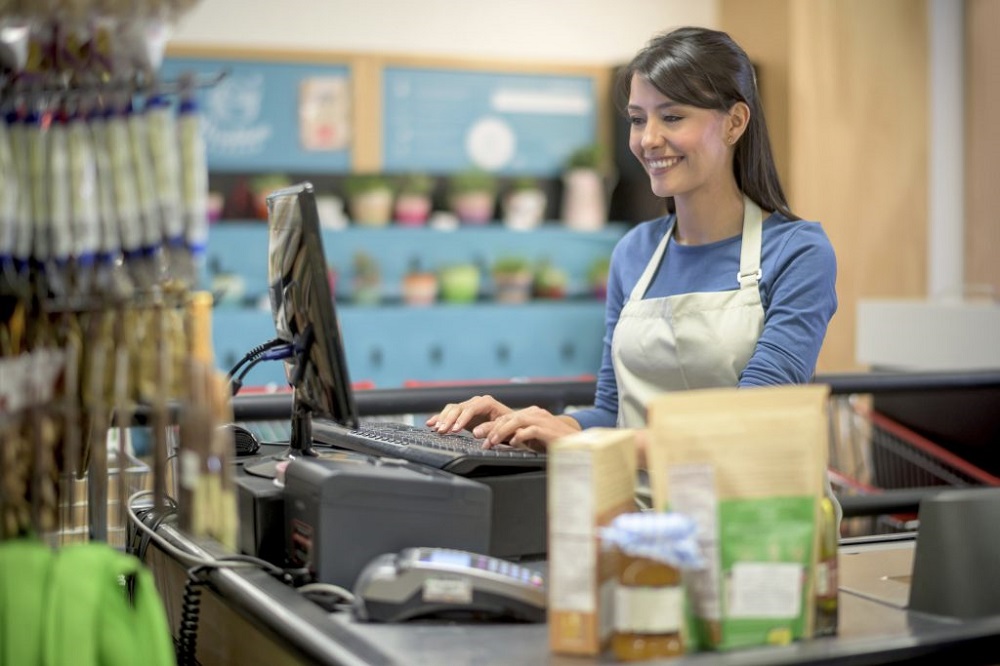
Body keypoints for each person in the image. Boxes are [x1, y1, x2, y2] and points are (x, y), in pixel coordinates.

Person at [426, 26, 838, 457]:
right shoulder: (634, 252)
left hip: (749, 519)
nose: (647, 139)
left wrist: (583, 440)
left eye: (672, 117)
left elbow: (751, 425)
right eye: (638, 119)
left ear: (735, 122)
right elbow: (612, 410)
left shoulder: (799, 253)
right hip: (640, 518)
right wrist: (526, 424)